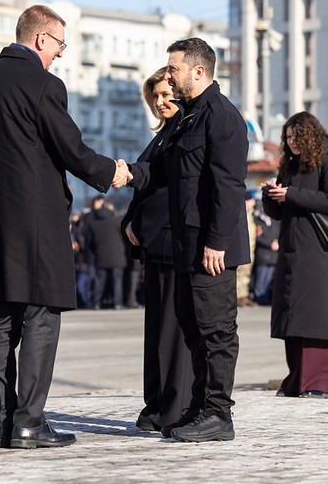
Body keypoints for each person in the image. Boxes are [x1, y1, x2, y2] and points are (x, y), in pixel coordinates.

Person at [0, 5, 129, 449]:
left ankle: (7, 420)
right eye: (60, 46)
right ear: (41, 40)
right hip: (35, 222)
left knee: (0, 319)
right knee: (40, 317)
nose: (61, 56)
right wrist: (112, 173)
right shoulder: (45, 85)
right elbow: (70, 148)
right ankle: (30, 422)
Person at [128, 38, 250, 442]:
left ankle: (218, 414)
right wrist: (123, 173)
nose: (168, 75)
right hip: (186, 245)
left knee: (216, 330)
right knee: (194, 328)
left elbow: (229, 187)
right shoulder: (188, 118)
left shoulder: (221, 116)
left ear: (198, 71)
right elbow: (160, 171)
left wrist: (216, 241)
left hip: (211, 248)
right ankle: (199, 410)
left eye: (173, 68)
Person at [122, 66, 193, 432]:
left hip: (172, 240)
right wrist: (130, 221)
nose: (161, 102)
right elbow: (145, 189)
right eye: (156, 97)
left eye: (167, 95)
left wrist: (128, 173)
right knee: (157, 330)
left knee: (173, 330)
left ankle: (174, 407)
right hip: (155, 242)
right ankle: (157, 403)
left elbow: (157, 180)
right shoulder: (163, 135)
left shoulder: (183, 132)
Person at [262, 111, 328, 399]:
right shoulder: (289, 166)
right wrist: (270, 196)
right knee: (292, 314)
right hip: (291, 248)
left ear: (309, 137)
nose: (291, 143)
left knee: (316, 315)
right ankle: (296, 378)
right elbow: (278, 211)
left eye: (296, 138)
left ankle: (318, 382)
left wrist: (292, 194)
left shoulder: (327, 160)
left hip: (318, 250)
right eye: (287, 138)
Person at [84, 198, 128, 309]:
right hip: (117, 255)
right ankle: (118, 303)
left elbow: (89, 241)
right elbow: (124, 238)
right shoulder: (116, 222)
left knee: (99, 281)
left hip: (100, 255)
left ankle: (96, 303)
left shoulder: (93, 223)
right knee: (117, 281)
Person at [253, 204, 280, 306]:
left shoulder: (274, 221)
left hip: (273, 255)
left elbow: (279, 233)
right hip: (263, 254)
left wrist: (277, 242)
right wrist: (270, 244)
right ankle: (258, 297)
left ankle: (265, 298)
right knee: (261, 277)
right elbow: (257, 237)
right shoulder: (258, 221)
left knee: (268, 278)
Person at [237, 192, 258, 306]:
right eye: (251, 200)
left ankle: (244, 295)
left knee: (246, 273)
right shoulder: (241, 214)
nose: (254, 203)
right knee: (239, 273)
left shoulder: (251, 214)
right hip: (243, 248)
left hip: (251, 248)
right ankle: (237, 296)